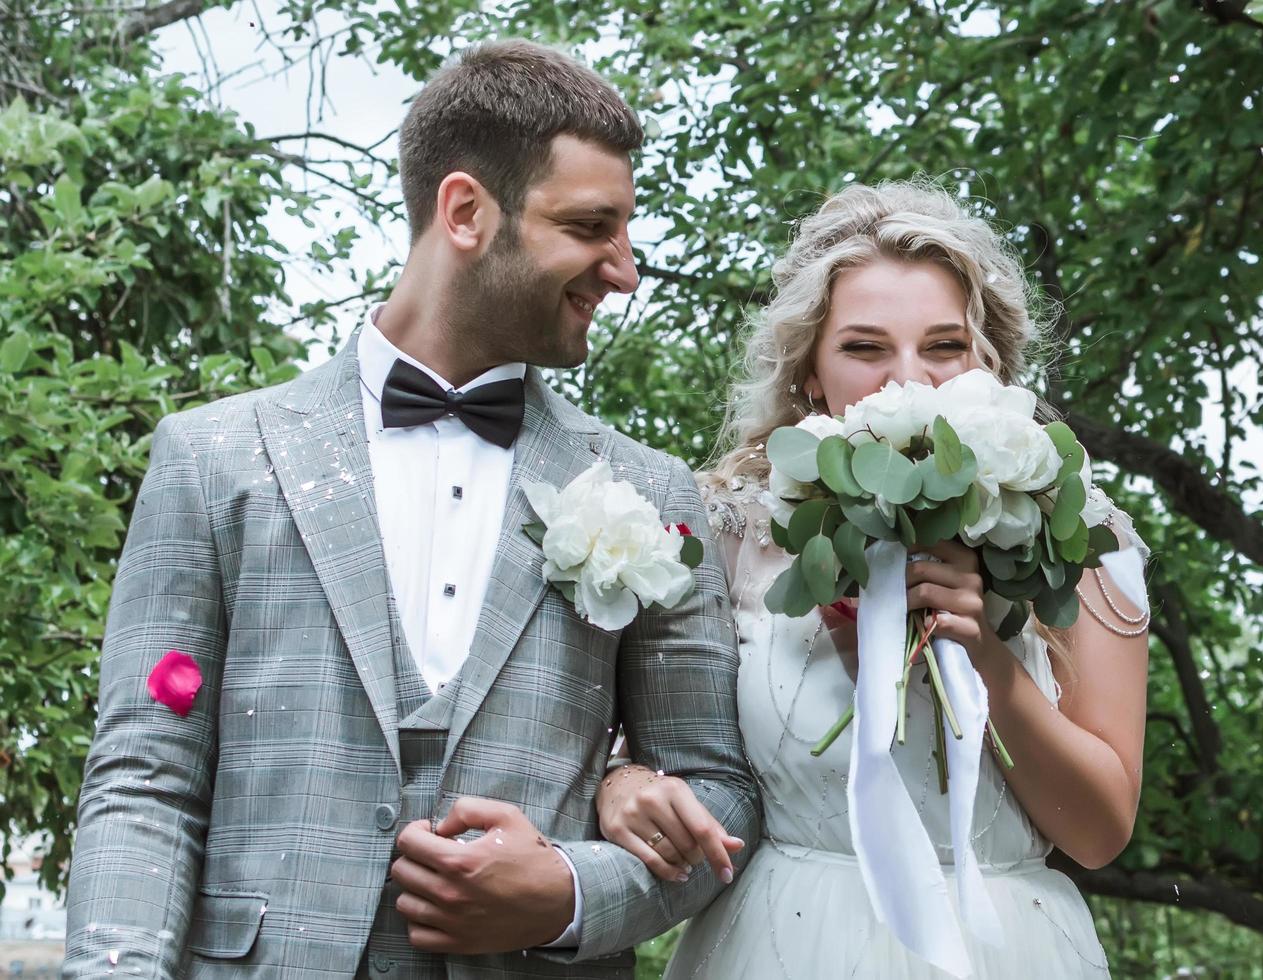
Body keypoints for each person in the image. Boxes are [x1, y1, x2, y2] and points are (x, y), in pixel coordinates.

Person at [63, 39, 759, 979]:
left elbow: (720, 792)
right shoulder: (214, 459)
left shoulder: (650, 493)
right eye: (593, 227)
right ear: (467, 211)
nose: (624, 271)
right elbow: (145, 780)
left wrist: (570, 891)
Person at [596, 181, 1149, 977]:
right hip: (780, 941)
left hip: (1004, 947)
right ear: (810, 373)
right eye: (863, 348)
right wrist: (623, 782)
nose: (907, 383)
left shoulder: (1079, 535)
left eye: (944, 347)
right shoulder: (722, 532)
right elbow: (631, 743)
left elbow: (1098, 834)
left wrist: (986, 654)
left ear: (988, 363)